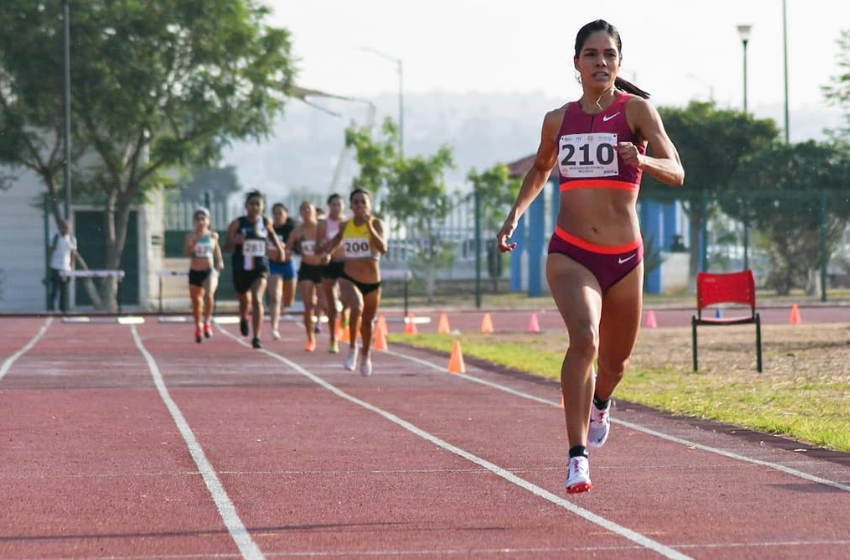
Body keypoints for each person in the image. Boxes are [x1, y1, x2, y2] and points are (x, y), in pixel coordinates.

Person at [497, 20, 684, 494]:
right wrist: (516, 214)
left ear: (619, 63)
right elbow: (541, 169)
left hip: (624, 260)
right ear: (576, 63)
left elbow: (677, 171)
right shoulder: (558, 120)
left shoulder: (638, 112)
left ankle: (602, 401)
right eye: (591, 54)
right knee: (584, 339)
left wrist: (642, 160)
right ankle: (577, 457)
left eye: (609, 55)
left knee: (616, 363)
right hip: (571, 252)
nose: (601, 62)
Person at [320, 188, 388, 376]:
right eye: (356, 202)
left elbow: (383, 248)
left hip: (372, 281)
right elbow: (335, 242)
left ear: (370, 206)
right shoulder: (345, 226)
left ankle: (366, 354)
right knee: (356, 307)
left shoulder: (377, 223)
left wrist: (370, 227)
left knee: (367, 322)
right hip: (349, 277)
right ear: (350, 206)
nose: (359, 205)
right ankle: (352, 348)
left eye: (363, 202)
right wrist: (327, 254)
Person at [224, 190, 286, 349]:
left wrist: (280, 250)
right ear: (246, 206)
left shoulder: (265, 222)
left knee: (258, 298)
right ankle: (244, 317)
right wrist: (236, 241)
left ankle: (256, 337)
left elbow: (272, 235)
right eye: (252, 204)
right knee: (244, 300)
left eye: (258, 204)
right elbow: (226, 246)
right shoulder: (237, 223)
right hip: (241, 267)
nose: (255, 207)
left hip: (261, 267)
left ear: (263, 206)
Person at [285, 202, 324, 352]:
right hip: (307, 268)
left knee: (322, 303)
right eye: (303, 209)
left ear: (315, 212)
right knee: (308, 305)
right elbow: (288, 247)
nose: (306, 212)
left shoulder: (322, 228)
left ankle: (332, 333)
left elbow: (333, 242)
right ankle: (310, 339)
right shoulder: (298, 232)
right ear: (300, 213)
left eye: (309, 209)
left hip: (321, 268)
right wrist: (287, 251)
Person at [183, 208, 224, 343]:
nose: (201, 222)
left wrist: (220, 261)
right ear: (194, 222)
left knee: (209, 294)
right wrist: (194, 243)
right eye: (198, 219)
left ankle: (207, 322)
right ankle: (198, 325)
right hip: (195, 271)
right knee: (196, 302)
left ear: (208, 221)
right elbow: (187, 253)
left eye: (203, 219)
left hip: (209, 270)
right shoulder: (191, 236)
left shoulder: (213, 236)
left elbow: (217, 250)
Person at [317, 193, 349, 353]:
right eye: (333, 204)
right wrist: (327, 249)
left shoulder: (348, 223)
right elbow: (318, 248)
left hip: (345, 263)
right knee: (331, 305)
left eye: (339, 204)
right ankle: (333, 338)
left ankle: (345, 312)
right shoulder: (323, 224)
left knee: (347, 296)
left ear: (344, 207)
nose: (336, 207)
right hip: (328, 264)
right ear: (329, 206)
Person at [268, 203, 298, 341]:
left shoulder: (291, 229)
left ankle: (282, 309)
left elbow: (297, 247)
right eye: (275, 213)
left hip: (288, 265)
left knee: (288, 302)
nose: (278, 216)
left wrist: (288, 249)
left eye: (280, 213)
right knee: (275, 297)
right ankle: (274, 328)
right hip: (273, 265)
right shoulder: (269, 229)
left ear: (286, 214)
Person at [48, 219, 77, 313]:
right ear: (60, 228)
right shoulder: (55, 238)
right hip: (56, 266)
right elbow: (51, 251)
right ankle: (51, 310)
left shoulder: (72, 239)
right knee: (54, 290)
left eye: (67, 228)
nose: (65, 230)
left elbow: (73, 253)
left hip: (66, 268)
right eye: (63, 228)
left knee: (64, 291)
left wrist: (72, 266)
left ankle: (63, 310)